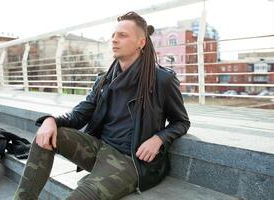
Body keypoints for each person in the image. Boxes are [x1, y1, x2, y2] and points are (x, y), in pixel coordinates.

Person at [14, 11, 190, 200]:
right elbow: (79, 115)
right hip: (99, 149)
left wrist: (159, 139)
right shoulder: (104, 81)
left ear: (141, 42)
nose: (114, 40)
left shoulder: (162, 79)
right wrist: (50, 120)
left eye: (122, 35)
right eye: (113, 35)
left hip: (131, 161)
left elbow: (181, 122)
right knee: (45, 136)